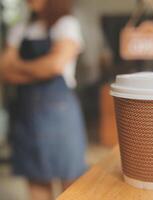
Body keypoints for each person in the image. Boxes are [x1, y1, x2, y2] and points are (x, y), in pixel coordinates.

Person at [0, 0, 86, 199]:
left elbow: (55, 66)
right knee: (35, 175)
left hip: (59, 113)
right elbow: (4, 70)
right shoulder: (21, 28)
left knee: (70, 178)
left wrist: (19, 65)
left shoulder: (66, 24)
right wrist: (39, 70)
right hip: (26, 114)